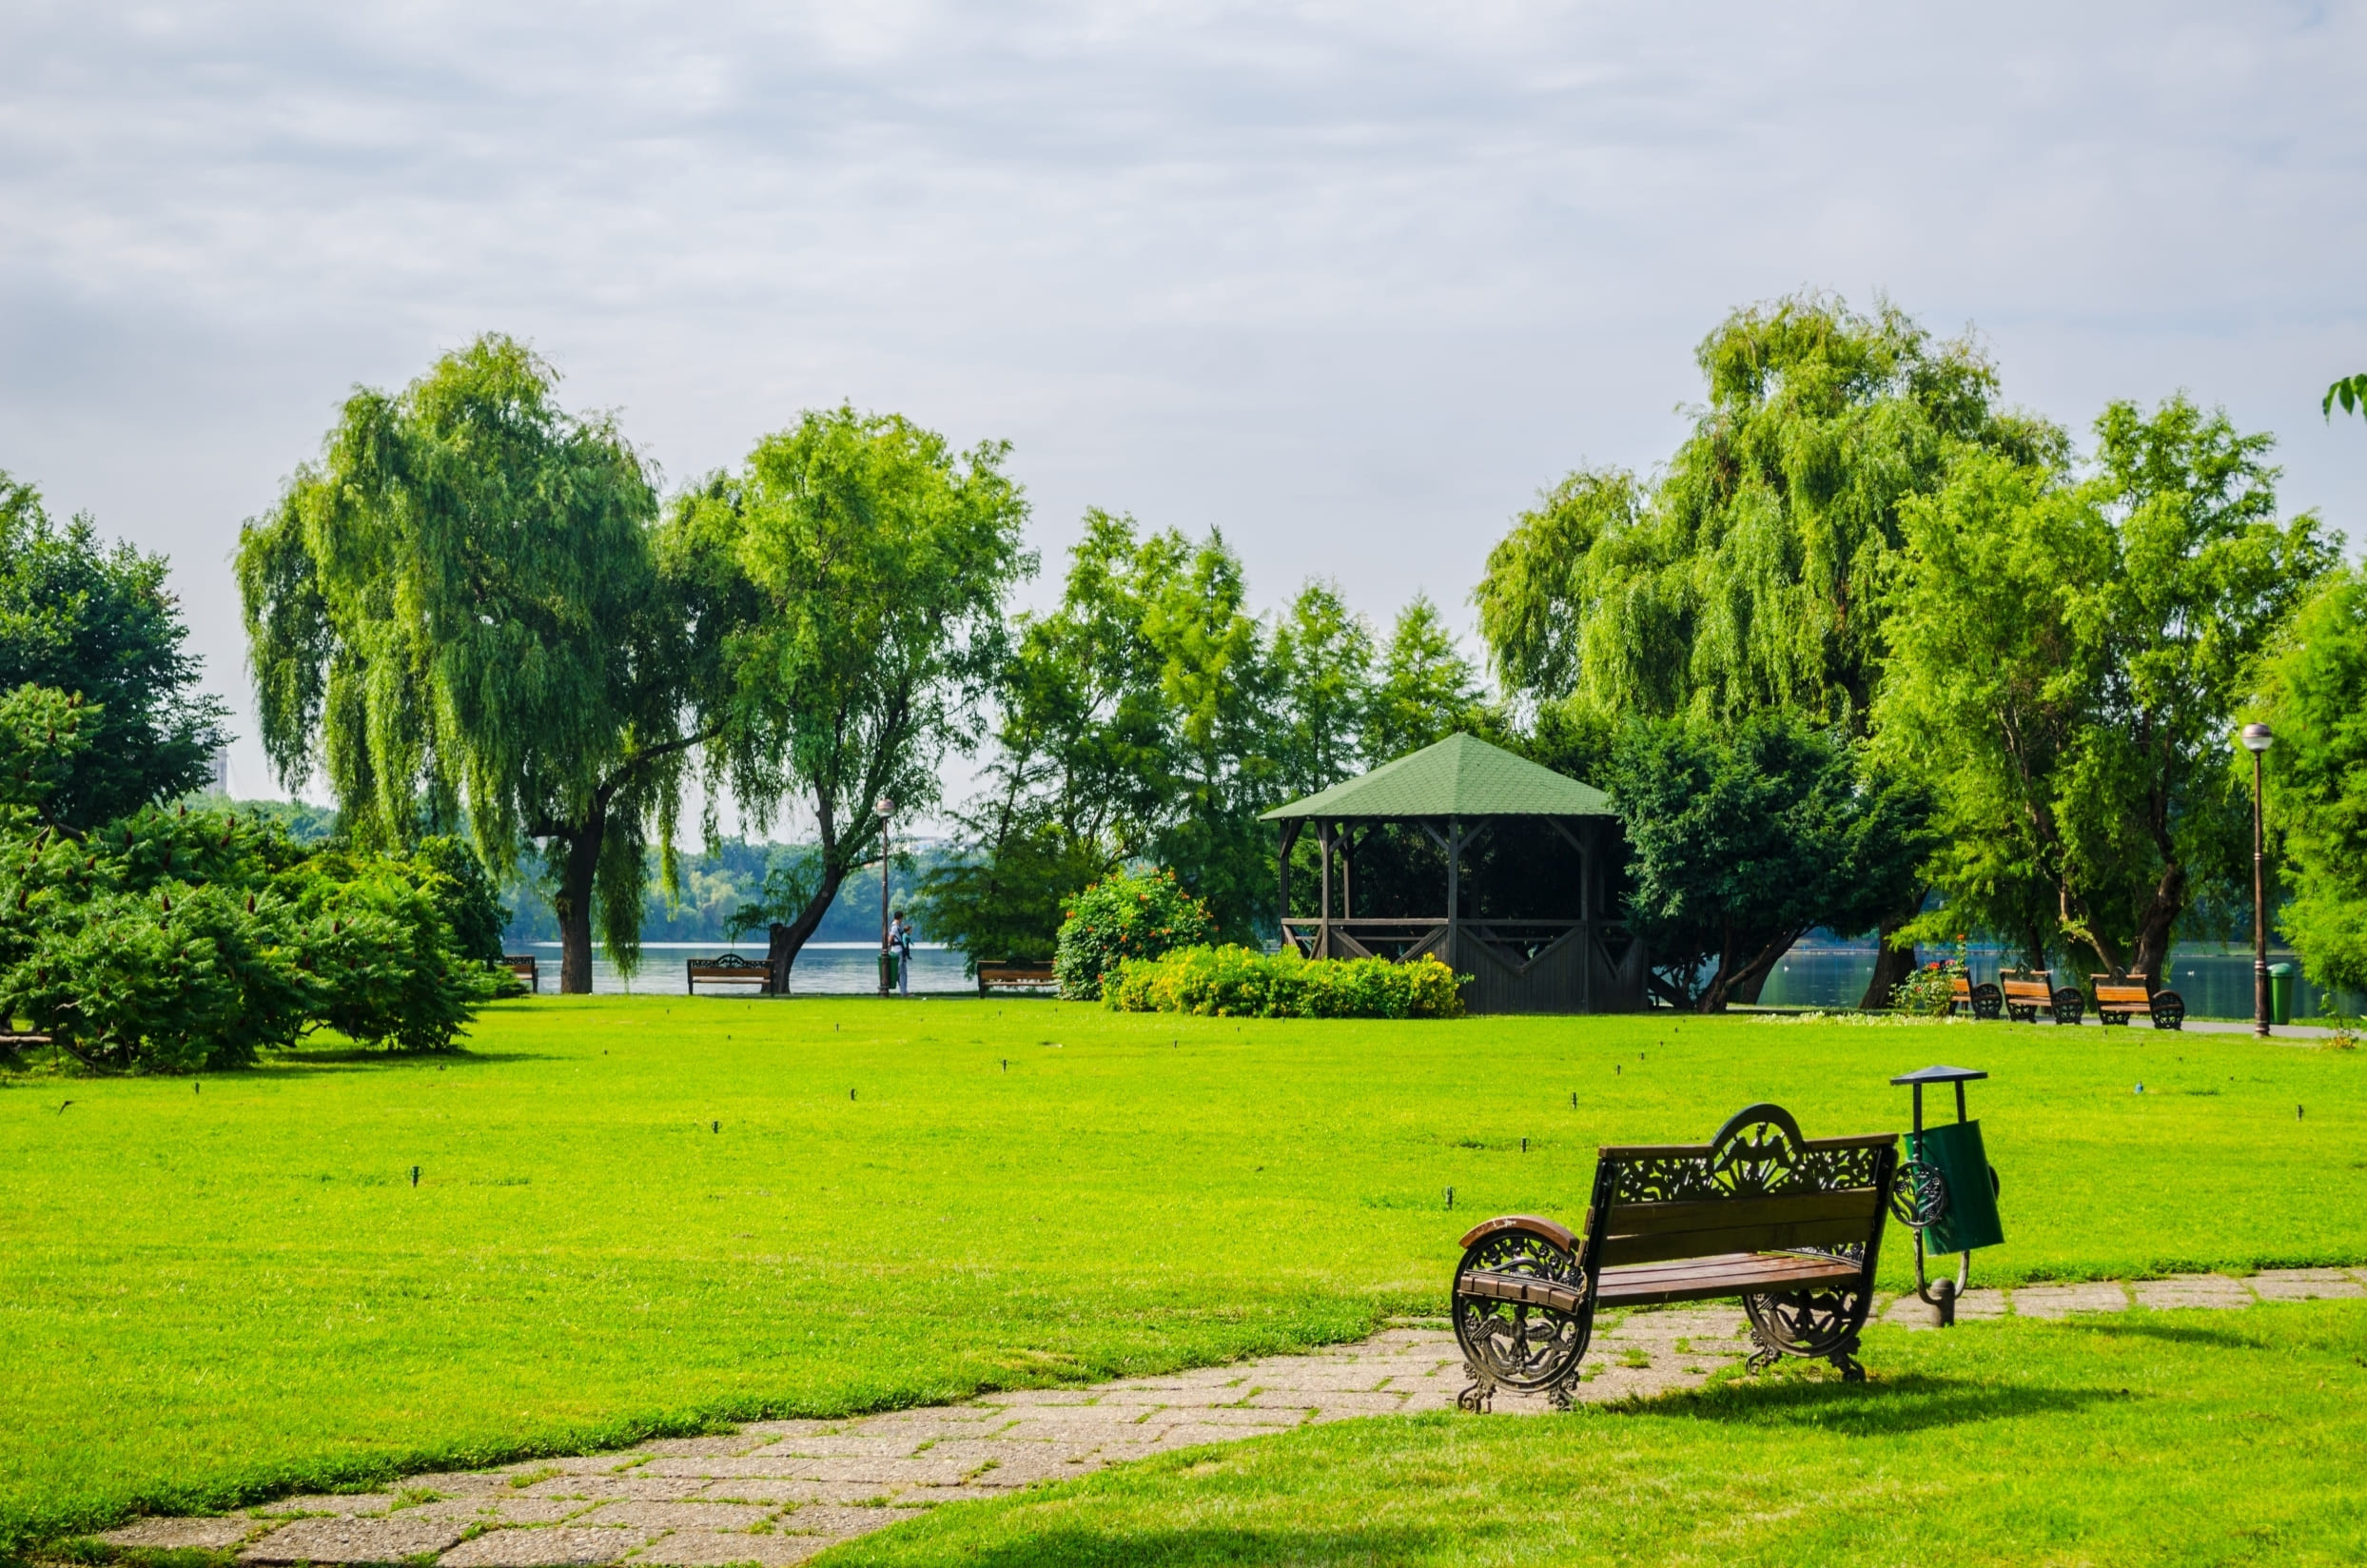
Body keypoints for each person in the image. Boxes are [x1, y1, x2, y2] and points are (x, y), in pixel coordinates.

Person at [890, 908, 913, 996]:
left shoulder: (894, 926)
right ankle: (904, 992)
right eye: (902, 918)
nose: (902, 920)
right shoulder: (895, 927)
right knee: (902, 972)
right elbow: (890, 938)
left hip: (896, 951)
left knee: (899, 971)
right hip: (899, 951)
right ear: (900, 918)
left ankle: (904, 990)